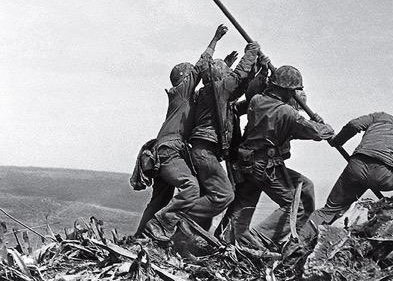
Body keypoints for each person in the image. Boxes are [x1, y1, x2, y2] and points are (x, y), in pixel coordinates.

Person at [220, 65, 335, 247]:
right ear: (288, 90)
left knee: (244, 206)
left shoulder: (256, 101)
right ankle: (259, 239)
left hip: (246, 163)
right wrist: (324, 126)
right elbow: (316, 133)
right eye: (293, 91)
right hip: (265, 166)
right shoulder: (287, 113)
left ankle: (227, 240)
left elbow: (282, 126)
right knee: (299, 205)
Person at [134, 25, 228, 238]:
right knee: (191, 187)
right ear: (185, 79)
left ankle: (139, 238)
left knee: (159, 200)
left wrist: (222, 69)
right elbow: (201, 65)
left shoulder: (183, 99)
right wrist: (215, 40)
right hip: (170, 151)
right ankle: (161, 227)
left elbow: (208, 80)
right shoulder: (181, 92)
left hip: (163, 151)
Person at [298, 107, 393, 243]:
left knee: (328, 210)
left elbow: (353, 125)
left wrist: (337, 141)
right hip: (382, 175)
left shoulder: (380, 117)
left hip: (355, 168)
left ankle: (298, 242)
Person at [184, 40, 262, 230]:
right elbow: (239, 75)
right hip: (205, 152)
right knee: (224, 195)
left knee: (208, 198)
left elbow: (241, 86)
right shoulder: (217, 89)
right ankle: (176, 216)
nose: (230, 75)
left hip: (204, 152)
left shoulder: (214, 95)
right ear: (220, 76)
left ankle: (188, 238)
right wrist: (251, 52)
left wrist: (259, 71)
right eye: (226, 73)